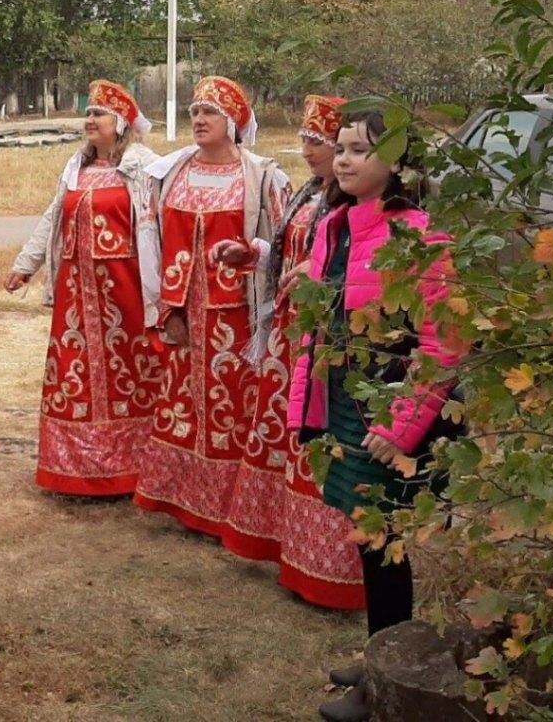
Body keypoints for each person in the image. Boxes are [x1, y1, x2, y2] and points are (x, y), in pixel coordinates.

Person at [288, 110, 462, 722]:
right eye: (340, 148)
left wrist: (402, 425)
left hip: (386, 411)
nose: (343, 159)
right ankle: (377, 653)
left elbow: (443, 340)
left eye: (359, 150)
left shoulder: (420, 234)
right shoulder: (335, 225)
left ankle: (383, 687)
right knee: (368, 541)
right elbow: (323, 325)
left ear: (396, 163)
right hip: (343, 405)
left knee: (383, 543)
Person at [133, 75, 291, 544]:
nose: (199, 120)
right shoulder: (172, 172)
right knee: (184, 406)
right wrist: (164, 307)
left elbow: (283, 243)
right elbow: (154, 242)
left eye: (210, 113)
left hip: (237, 318)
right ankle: (185, 499)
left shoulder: (262, 176)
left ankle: (231, 506)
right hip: (184, 316)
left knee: (235, 411)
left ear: (235, 122)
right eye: (195, 112)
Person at [223, 95, 366, 610]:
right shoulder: (311, 192)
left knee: (320, 446)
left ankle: (327, 568)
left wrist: (318, 279)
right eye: (307, 139)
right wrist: (256, 252)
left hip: (329, 336)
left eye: (319, 142)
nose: (307, 150)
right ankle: (290, 549)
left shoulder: (353, 206)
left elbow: (355, 271)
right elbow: (293, 248)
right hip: (290, 332)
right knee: (288, 438)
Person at [4, 79, 161, 495]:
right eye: (88, 113)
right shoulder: (77, 167)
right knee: (76, 375)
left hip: (124, 290)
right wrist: (27, 265)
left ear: (121, 123)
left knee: (130, 372)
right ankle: (74, 468)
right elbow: (53, 218)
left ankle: (134, 468)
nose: (89, 120)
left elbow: (158, 224)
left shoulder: (143, 165)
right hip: (76, 294)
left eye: (99, 114)